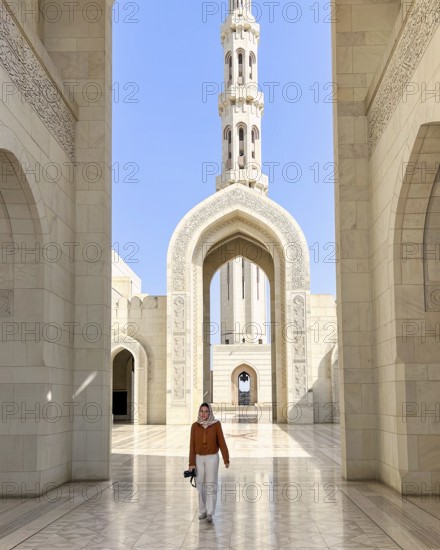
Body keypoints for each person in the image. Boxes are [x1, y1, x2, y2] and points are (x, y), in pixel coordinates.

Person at [188, 403, 230, 522]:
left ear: (210, 412)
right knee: (200, 484)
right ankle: (203, 510)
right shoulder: (195, 426)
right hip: (198, 458)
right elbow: (192, 445)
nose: (204, 414)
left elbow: (221, 442)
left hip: (212, 458)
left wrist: (226, 459)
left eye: (206, 411)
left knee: (210, 484)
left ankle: (210, 512)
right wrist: (191, 462)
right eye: (201, 411)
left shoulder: (216, 425)